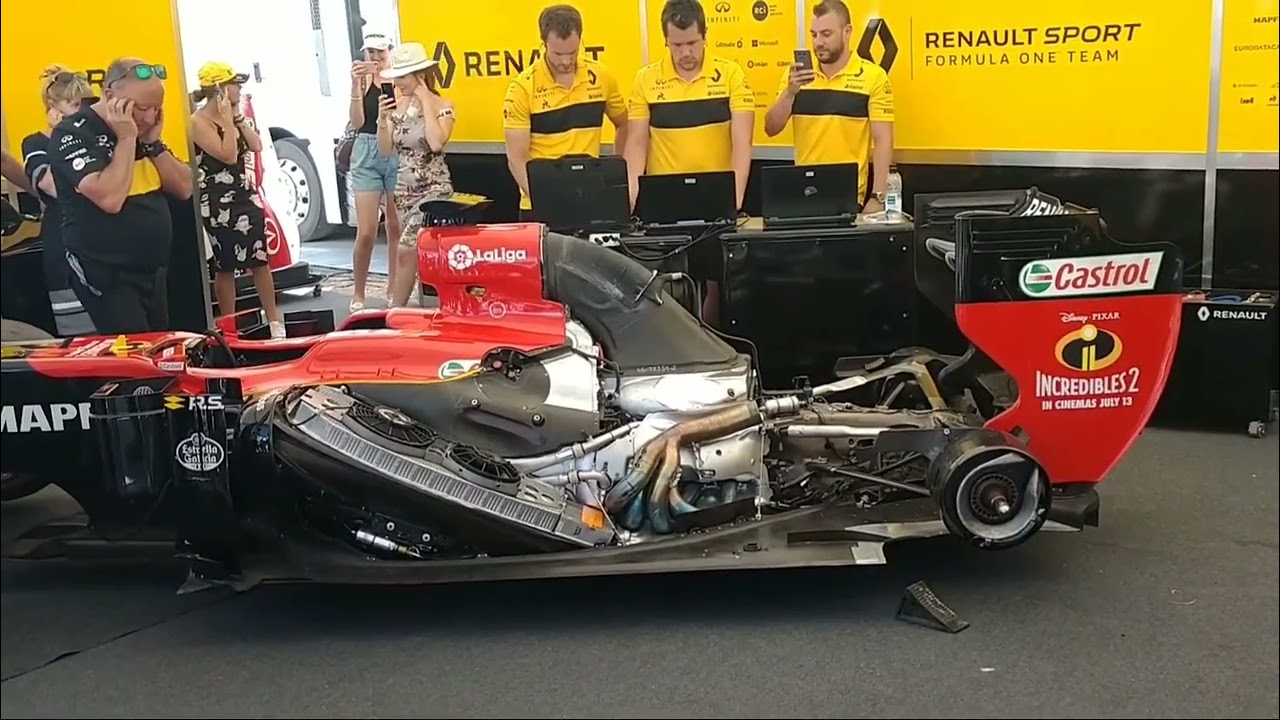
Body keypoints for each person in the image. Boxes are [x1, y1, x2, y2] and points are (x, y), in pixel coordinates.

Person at [623, 0, 754, 325]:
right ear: (666, 40)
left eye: (692, 43)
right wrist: (627, 201)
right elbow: (636, 144)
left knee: (717, 286)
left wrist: (734, 199)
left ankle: (714, 344)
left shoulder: (731, 75)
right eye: (677, 44)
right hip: (663, 206)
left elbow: (742, 142)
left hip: (715, 203)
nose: (685, 52)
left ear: (705, 36)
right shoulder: (645, 80)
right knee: (666, 289)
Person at [47, 57, 193, 335]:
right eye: (141, 108)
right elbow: (110, 199)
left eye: (156, 108)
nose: (149, 117)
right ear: (111, 96)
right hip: (106, 273)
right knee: (137, 357)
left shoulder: (144, 131)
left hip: (152, 271)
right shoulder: (72, 133)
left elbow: (184, 188)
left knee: (161, 353)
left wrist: (152, 143)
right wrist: (126, 139)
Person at [763, 0, 895, 212]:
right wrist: (789, 93)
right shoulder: (795, 77)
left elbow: (884, 141)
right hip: (802, 193)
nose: (818, 42)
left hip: (847, 197)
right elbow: (770, 128)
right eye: (814, 35)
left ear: (847, 32)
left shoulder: (873, 77)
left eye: (826, 34)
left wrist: (878, 198)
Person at [502, 3, 629, 220]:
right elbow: (516, 158)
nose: (566, 61)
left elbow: (625, 123)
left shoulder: (601, 76)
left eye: (573, 52)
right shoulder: (522, 89)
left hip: (590, 197)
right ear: (543, 43)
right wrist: (544, 199)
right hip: (541, 205)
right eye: (558, 53)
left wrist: (616, 176)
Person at [189, 61, 286, 339]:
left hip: (244, 193)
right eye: (234, 84)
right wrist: (226, 121)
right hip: (217, 200)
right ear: (219, 89)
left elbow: (255, 146)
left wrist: (237, 118)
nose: (239, 89)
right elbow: (227, 155)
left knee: (259, 259)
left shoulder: (234, 117)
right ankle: (229, 325)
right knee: (226, 264)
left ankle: (274, 320)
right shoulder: (199, 122)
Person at [376, 42, 456, 308]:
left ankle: (395, 310)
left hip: (434, 189)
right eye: (396, 76)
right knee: (418, 254)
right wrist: (382, 120)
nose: (398, 83)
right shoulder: (398, 108)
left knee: (406, 248)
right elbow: (386, 149)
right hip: (404, 190)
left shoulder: (443, 105)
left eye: (403, 76)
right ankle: (424, 308)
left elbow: (436, 143)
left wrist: (425, 101)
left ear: (419, 76)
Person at [21, 66, 95, 335]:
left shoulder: (96, 137)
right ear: (53, 106)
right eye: (75, 103)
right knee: (82, 343)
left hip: (105, 251)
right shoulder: (36, 143)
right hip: (65, 250)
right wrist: (63, 137)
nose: (82, 110)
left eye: (86, 103)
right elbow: (54, 186)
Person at [347, 31, 403, 312]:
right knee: (367, 230)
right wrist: (356, 86)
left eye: (381, 52)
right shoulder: (365, 79)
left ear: (391, 50)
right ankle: (359, 292)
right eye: (372, 53)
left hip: (395, 147)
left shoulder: (400, 79)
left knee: (396, 226)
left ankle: (393, 291)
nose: (377, 58)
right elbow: (356, 122)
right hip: (367, 149)